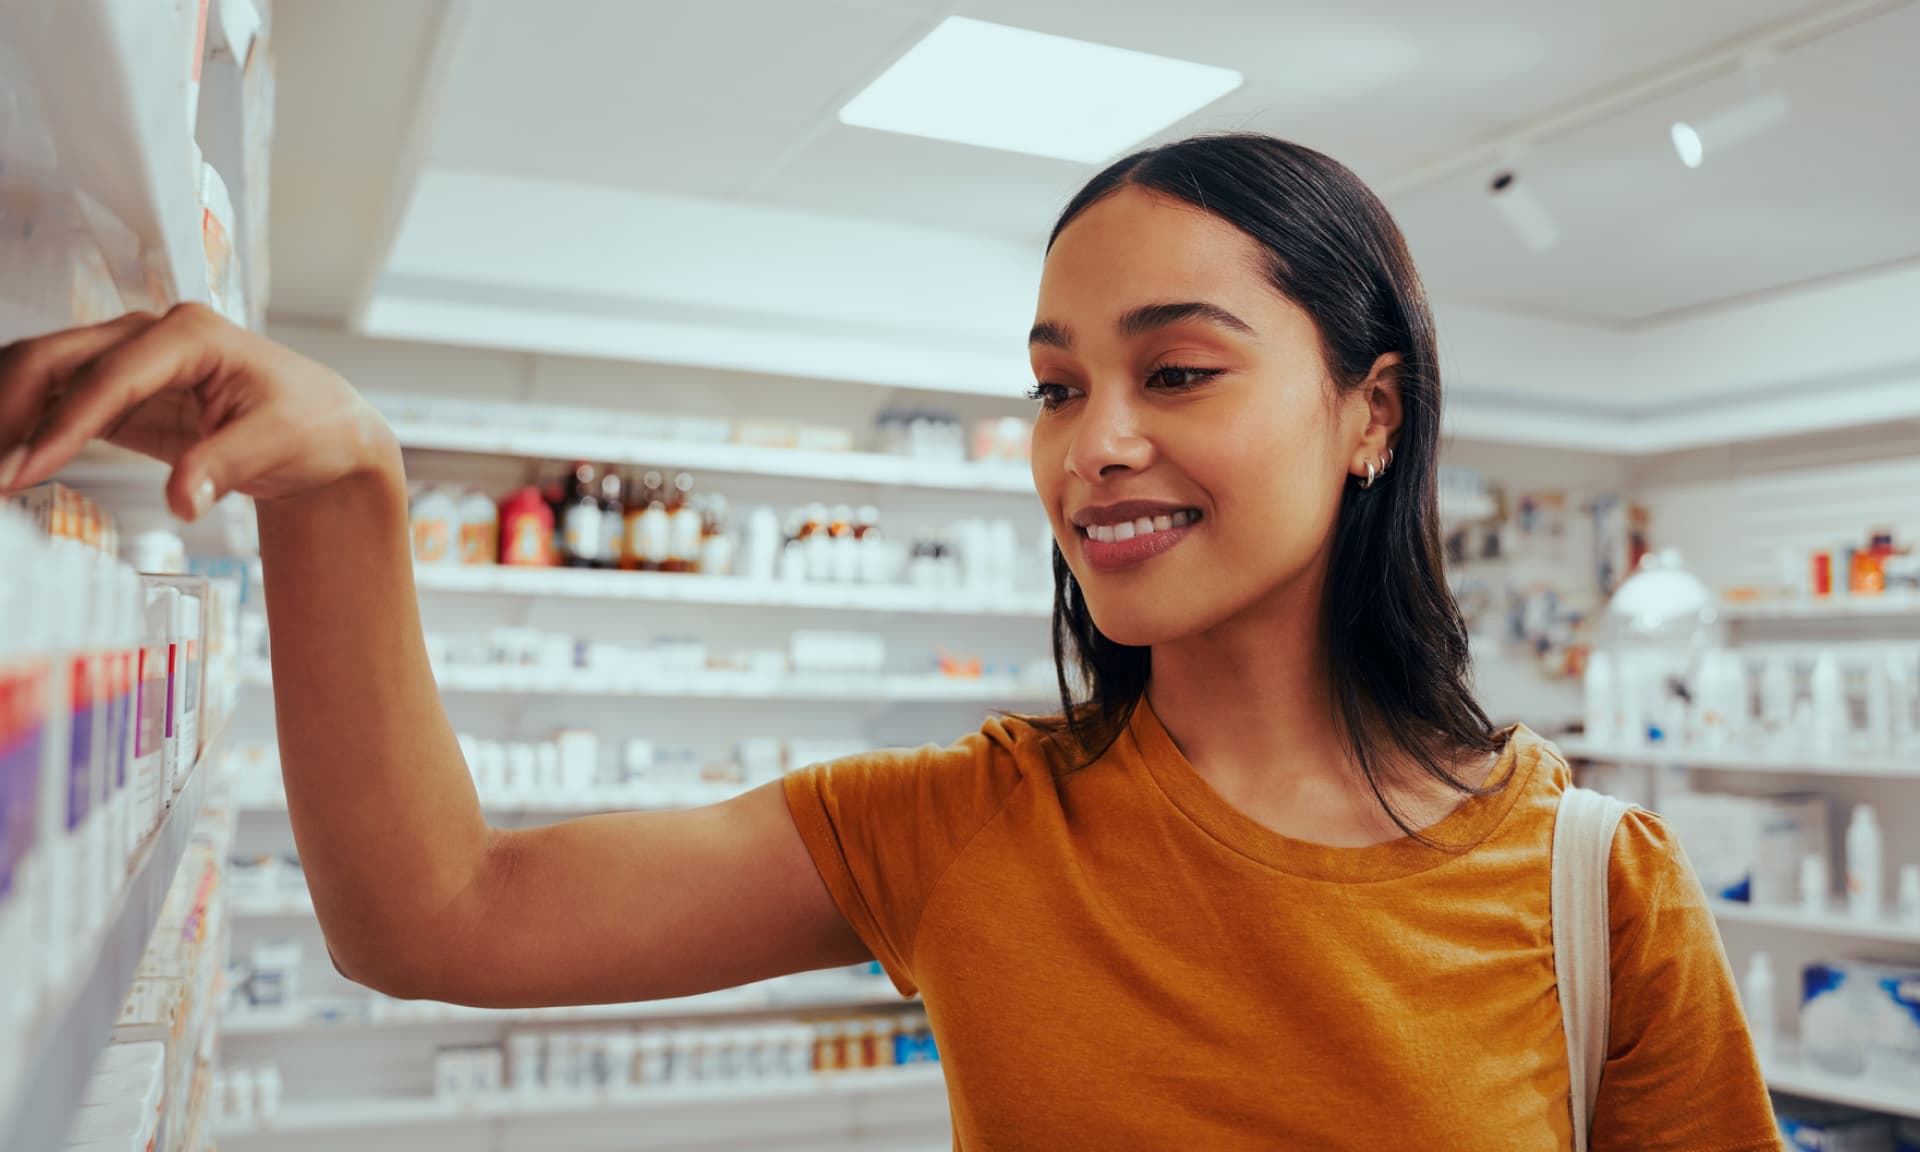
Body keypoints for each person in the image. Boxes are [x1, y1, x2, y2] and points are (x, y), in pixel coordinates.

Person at [0, 134, 1777, 1149]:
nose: (1095, 443)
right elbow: (432, 915)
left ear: (1370, 411)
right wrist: (345, 497)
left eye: (1177, 371)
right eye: (1055, 386)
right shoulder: (968, 829)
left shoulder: (1588, 889)